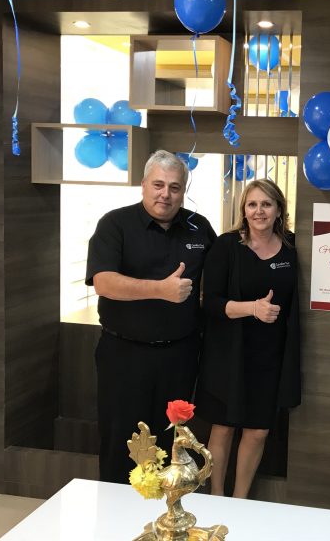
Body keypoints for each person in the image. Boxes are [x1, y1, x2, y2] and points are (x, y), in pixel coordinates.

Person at [86, 149, 216, 484]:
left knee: (173, 442)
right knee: (123, 442)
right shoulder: (115, 224)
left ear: (183, 190)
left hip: (181, 356)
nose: (166, 194)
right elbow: (103, 282)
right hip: (125, 356)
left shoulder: (198, 227)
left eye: (175, 187)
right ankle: (116, 521)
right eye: (158, 184)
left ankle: (166, 519)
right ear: (143, 184)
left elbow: (218, 280)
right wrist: (160, 289)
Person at [195, 179, 300, 498]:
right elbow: (208, 302)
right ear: (244, 209)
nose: (259, 211)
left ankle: (239, 501)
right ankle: (215, 498)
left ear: (279, 209)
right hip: (228, 353)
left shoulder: (292, 247)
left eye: (266, 204)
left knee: (257, 431)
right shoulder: (227, 246)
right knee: (223, 428)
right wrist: (252, 308)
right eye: (252, 204)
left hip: (269, 357)